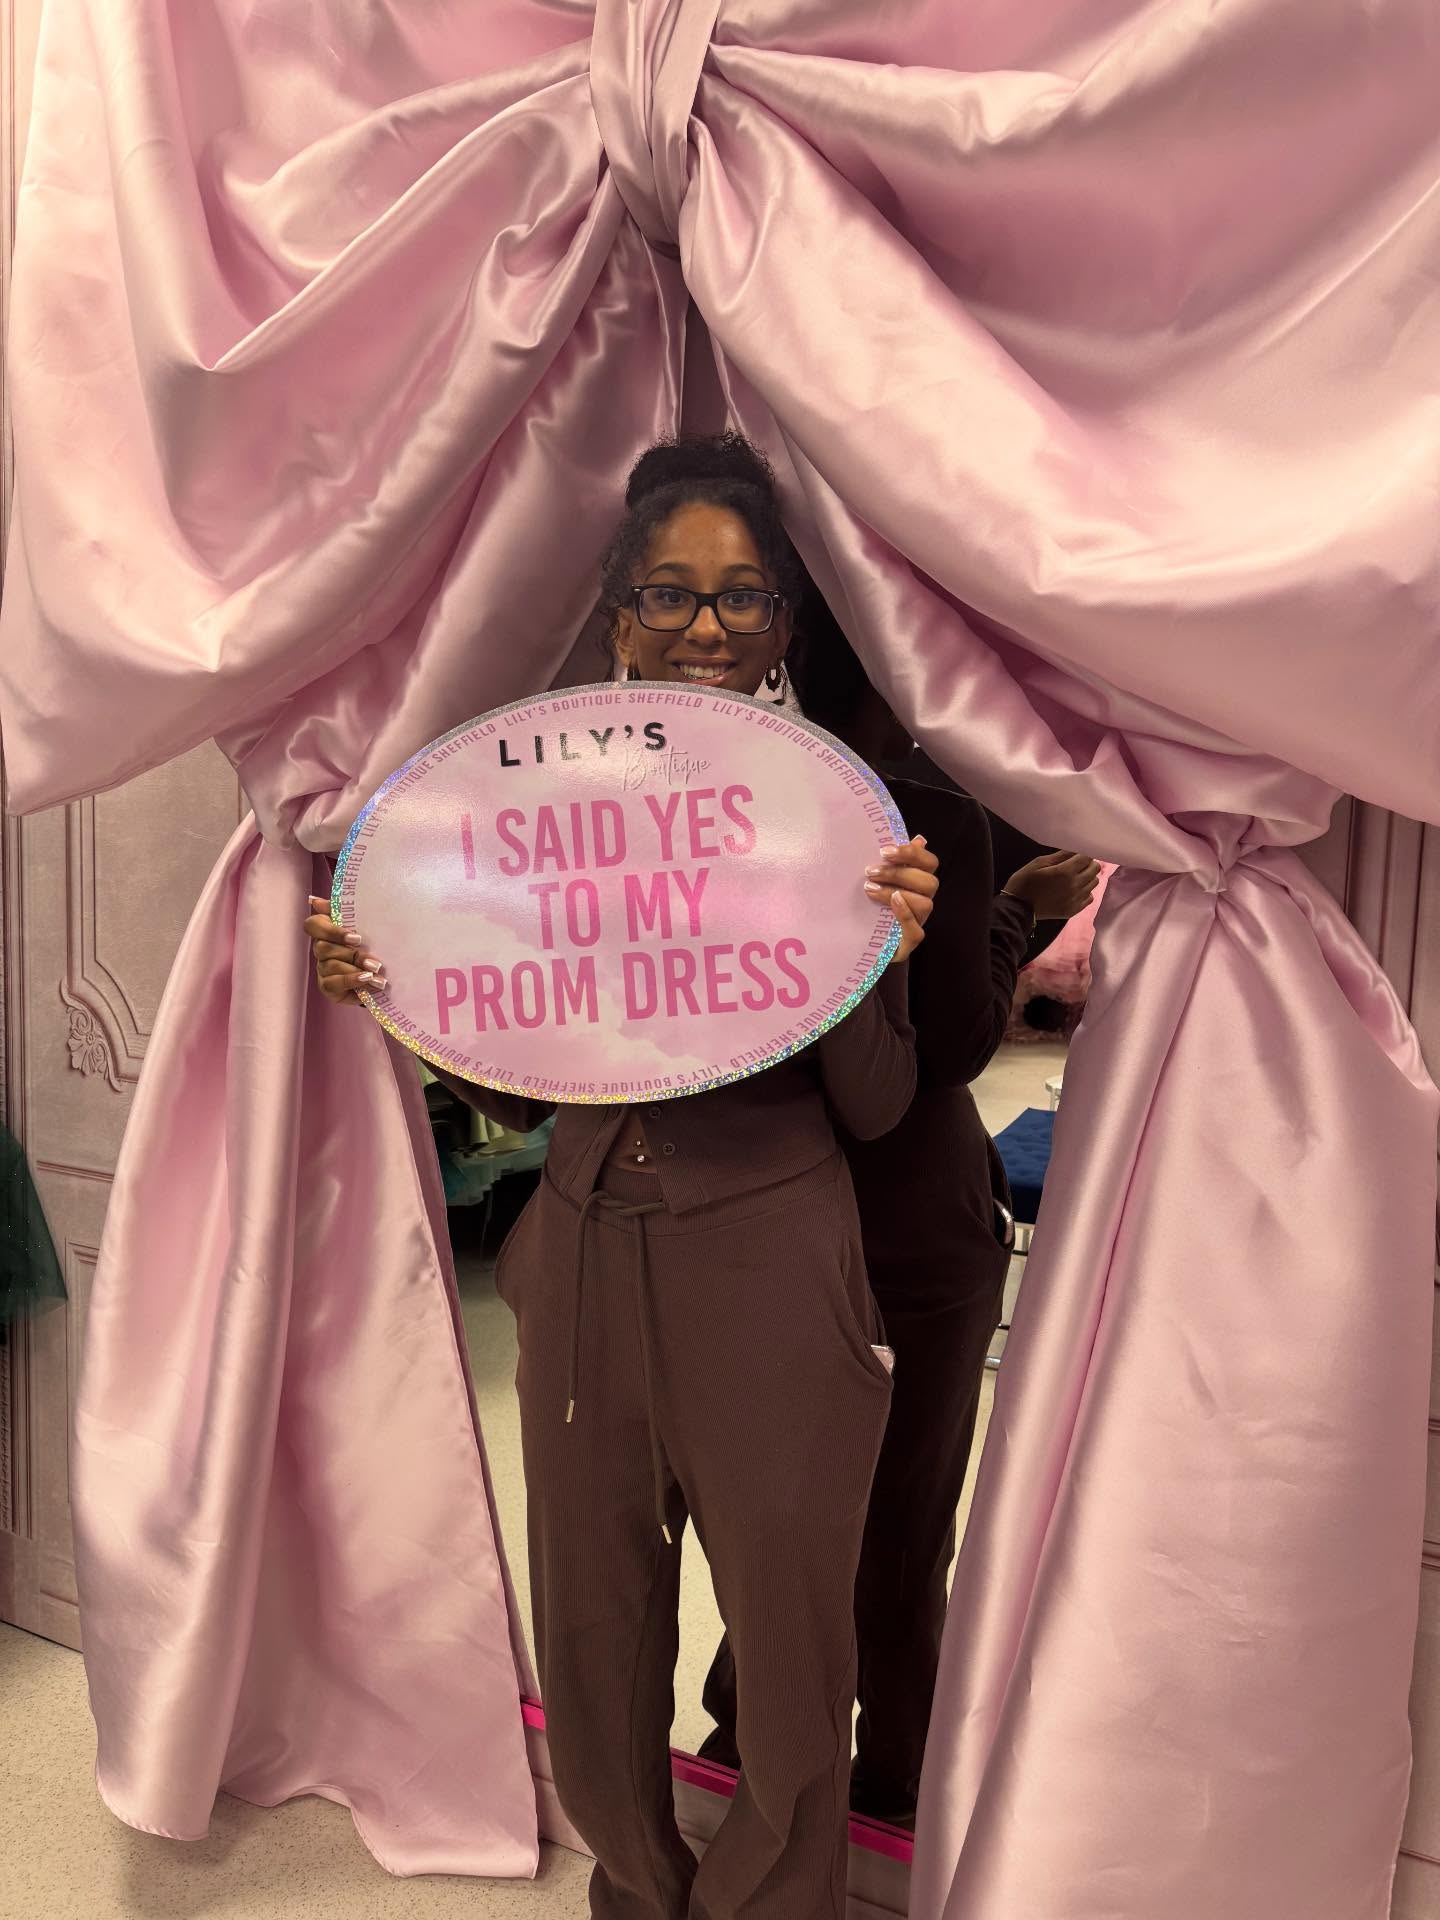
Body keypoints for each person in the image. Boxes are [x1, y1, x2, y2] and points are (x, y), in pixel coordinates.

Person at [303, 434, 941, 1920]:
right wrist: (398, 989)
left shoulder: (841, 819)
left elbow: (879, 1104)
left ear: (784, 621)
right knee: (592, 1632)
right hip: (583, 1244)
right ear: (618, 614)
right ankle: (638, 1896)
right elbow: (519, 1083)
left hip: (773, 1259)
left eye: (741, 596)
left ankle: (769, 1907)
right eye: (669, 593)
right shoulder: (542, 816)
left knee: (790, 1637)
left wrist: (872, 956)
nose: (704, 627)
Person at [698, 610, 1100, 1825]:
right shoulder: (929, 814)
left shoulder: (720, 810)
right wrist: (1016, 911)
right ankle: (894, 1784)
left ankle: (740, 1742)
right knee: (903, 1525)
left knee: (780, 1516)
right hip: (913, 1224)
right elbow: (955, 1047)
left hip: (760, 1210)